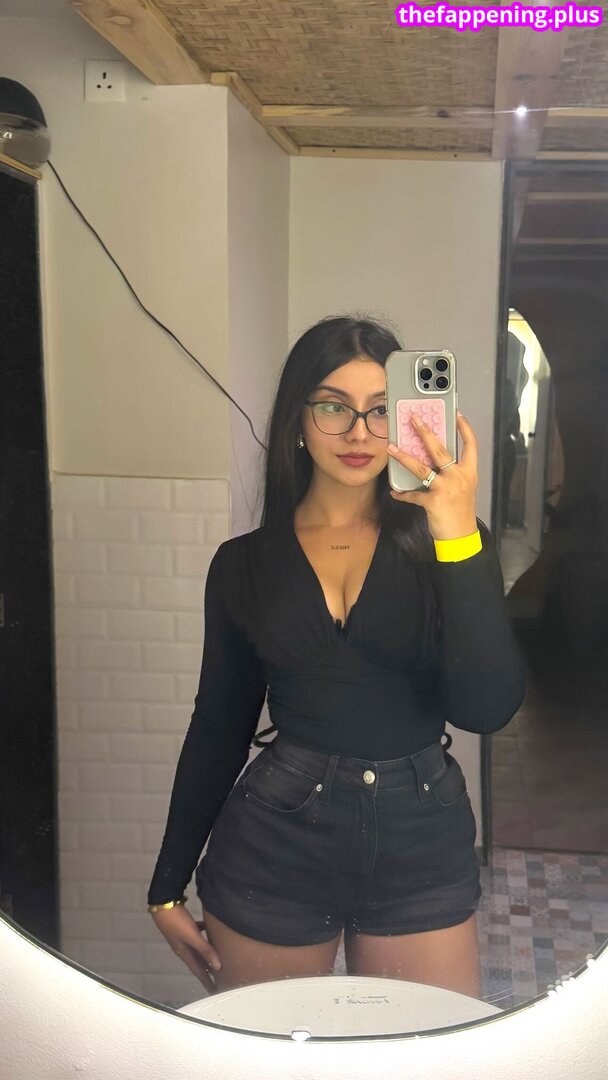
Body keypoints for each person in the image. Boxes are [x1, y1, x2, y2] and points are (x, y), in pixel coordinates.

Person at [147, 316, 526, 1000]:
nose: (359, 433)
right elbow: (219, 726)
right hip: (275, 840)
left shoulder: (451, 541)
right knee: (266, 1052)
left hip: (422, 838)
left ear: (408, 415)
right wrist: (167, 885)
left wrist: (457, 534)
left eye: (381, 410)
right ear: (298, 419)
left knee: (424, 1048)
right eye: (333, 407)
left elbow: (487, 709)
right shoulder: (243, 564)